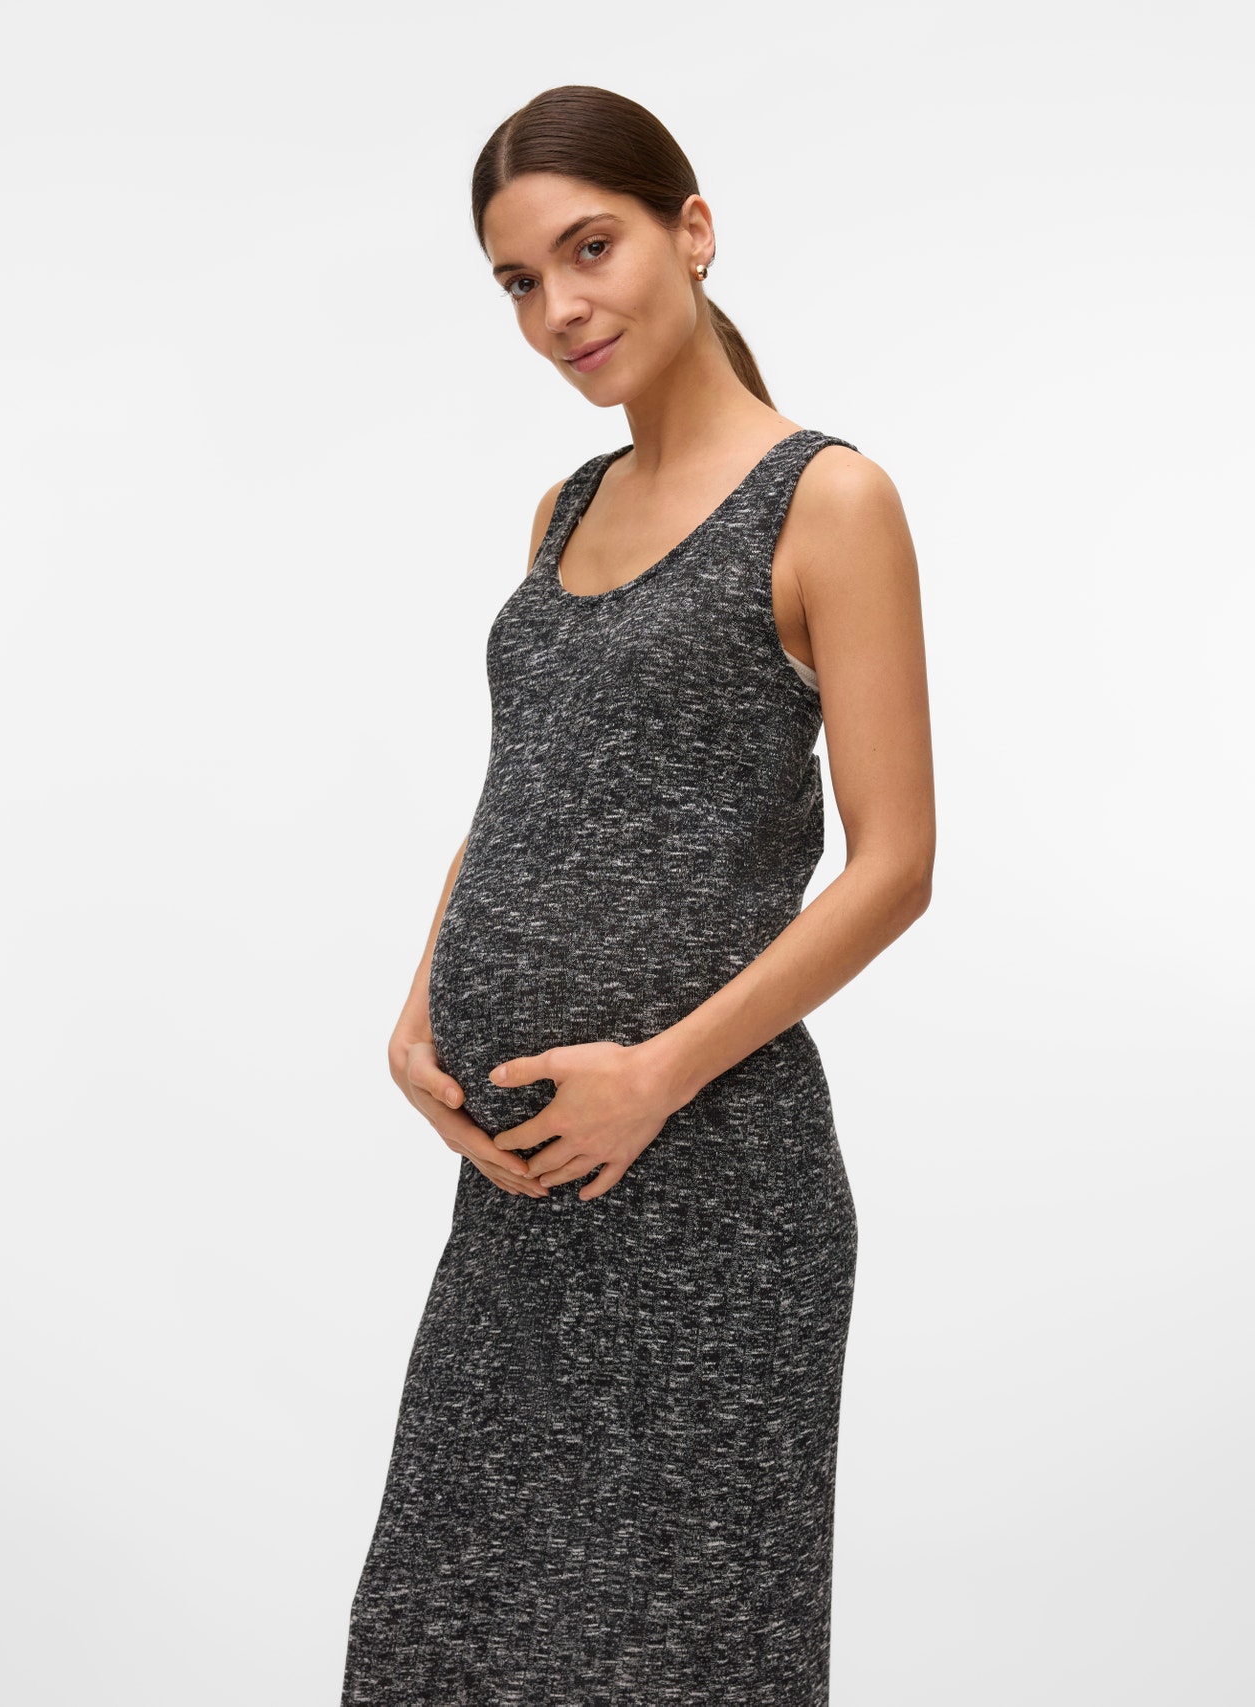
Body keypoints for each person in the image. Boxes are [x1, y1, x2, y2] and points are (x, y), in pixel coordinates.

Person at [341, 83, 935, 1706]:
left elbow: (896, 865)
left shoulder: (828, 500)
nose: (559, 308)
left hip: (715, 1195)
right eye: (519, 281)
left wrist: (657, 1076)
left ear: (694, 230)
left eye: (590, 248)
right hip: (525, 1189)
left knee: (674, 1659)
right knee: (439, 1644)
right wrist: (417, 1020)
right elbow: (522, 788)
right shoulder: (564, 512)